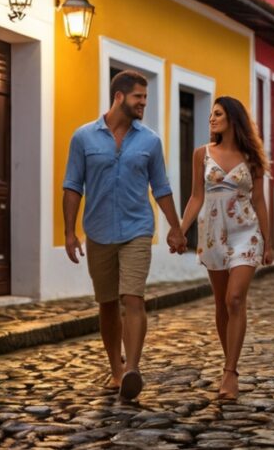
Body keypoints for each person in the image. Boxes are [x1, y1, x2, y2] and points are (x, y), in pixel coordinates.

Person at [62, 70, 188, 401]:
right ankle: (115, 370)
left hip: (137, 229)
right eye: (138, 97)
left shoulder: (150, 141)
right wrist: (69, 232)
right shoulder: (83, 138)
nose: (143, 103)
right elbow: (73, 186)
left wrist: (175, 228)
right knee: (107, 303)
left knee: (133, 297)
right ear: (119, 97)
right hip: (98, 230)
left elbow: (161, 188)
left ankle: (132, 369)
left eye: (145, 97)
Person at [179, 96, 273, 400]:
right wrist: (180, 230)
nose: (211, 119)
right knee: (221, 303)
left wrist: (267, 243)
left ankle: (230, 372)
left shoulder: (252, 158)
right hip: (212, 236)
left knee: (235, 299)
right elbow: (196, 197)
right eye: (211, 114)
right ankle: (230, 359)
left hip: (246, 234)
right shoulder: (202, 154)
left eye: (217, 114)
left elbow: (259, 201)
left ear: (232, 118)